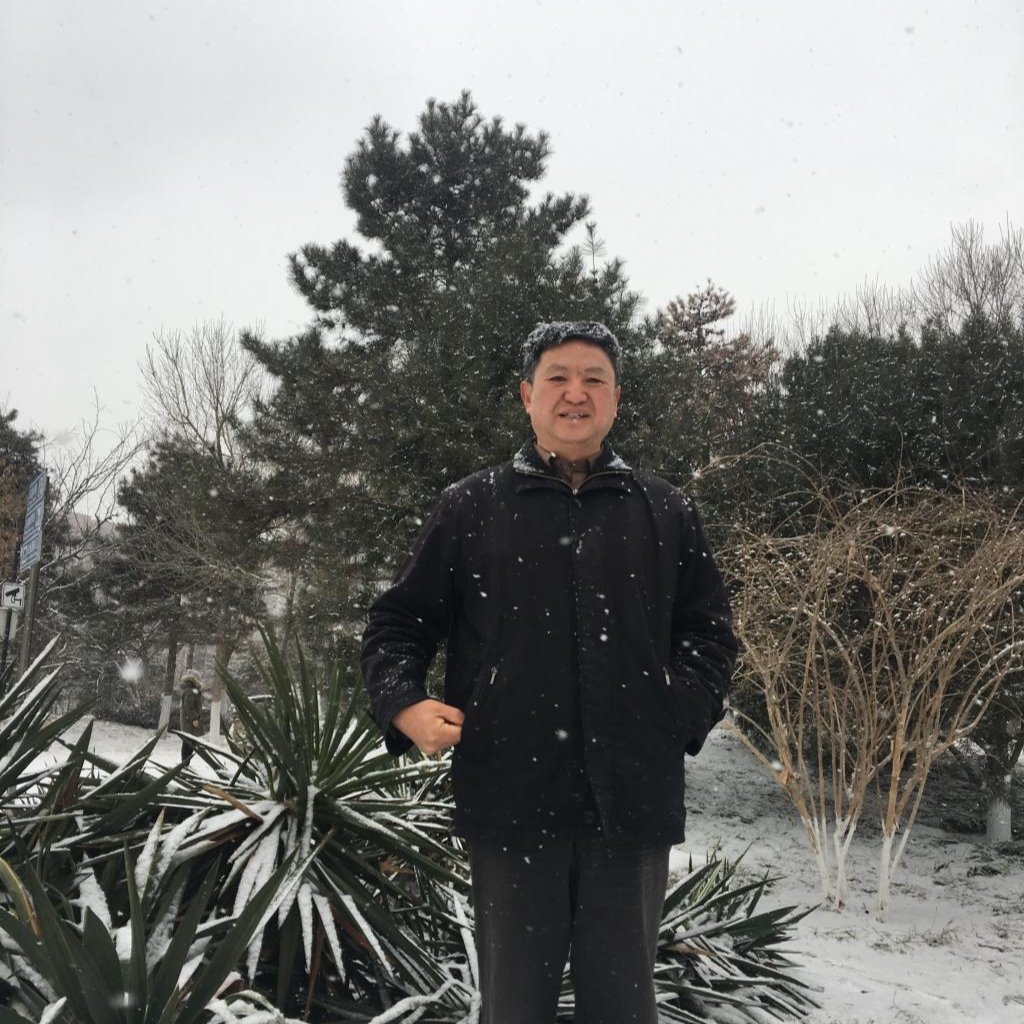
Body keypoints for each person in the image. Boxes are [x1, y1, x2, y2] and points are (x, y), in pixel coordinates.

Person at [361, 321, 737, 1024]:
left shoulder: (665, 510)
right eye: (558, 378)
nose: (576, 393)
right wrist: (404, 704)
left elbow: (709, 636)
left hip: (631, 804)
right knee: (514, 1007)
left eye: (594, 379)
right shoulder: (471, 507)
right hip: (510, 800)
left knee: (623, 1010)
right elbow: (399, 622)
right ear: (527, 396)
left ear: (616, 398)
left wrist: (675, 718)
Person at [179, 669, 203, 766]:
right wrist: (194, 718)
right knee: (188, 743)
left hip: (188, 721)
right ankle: (185, 764)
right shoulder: (190, 691)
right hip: (189, 721)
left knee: (189, 743)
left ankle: (185, 763)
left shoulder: (191, 690)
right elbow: (189, 706)